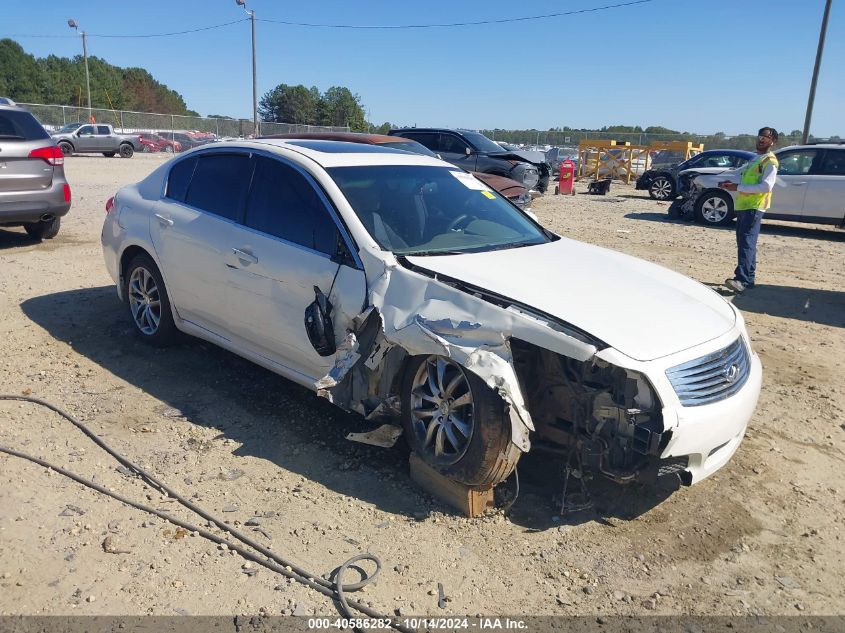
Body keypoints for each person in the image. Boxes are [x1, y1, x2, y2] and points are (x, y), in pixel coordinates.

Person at [719, 127, 779, 293]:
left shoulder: (770, 161)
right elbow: (741, 175)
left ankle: (742, 280)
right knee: (746, 243)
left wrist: (738, 187)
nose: (761, 139)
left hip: (754, 207)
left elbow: (766, 186)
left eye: (766, 137)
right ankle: (748, 278)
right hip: (745, 206)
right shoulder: (756, 159)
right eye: (760, 136)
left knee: (746, 243)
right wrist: (729, 183)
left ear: (773, 141)